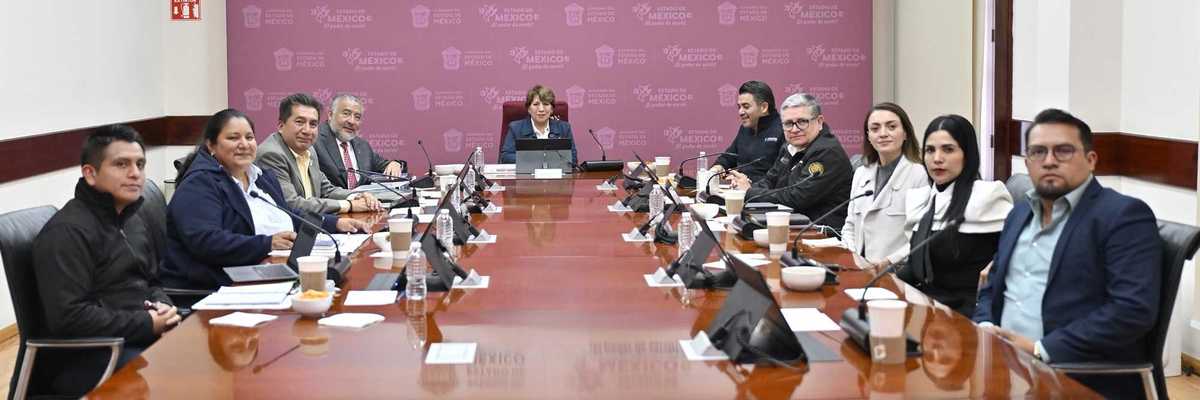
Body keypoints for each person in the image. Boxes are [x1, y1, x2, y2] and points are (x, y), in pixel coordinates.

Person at [975, 109, 1162, 399]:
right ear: (1027, 162)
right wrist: (986, 327)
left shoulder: (1122, 216)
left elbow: (1132, 310)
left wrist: (1041, 350)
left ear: (1091, 160)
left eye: (1063, 151)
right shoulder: (1020, 213)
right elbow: (993, 284)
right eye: (1038, 152)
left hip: (1073, 377)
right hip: (1004, 368)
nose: (1049, 161)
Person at [30, 125, 180, 396]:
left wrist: (164, 307)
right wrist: (146, 324)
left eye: (140, 164)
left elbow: (151, 282)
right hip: (87, 356)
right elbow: (69, 318)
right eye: (121, 164)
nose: (135, 173)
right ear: (90, 173)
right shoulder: (67, 232)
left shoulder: (132, 219)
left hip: (133, 338)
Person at [163, 109, 368, 290]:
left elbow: (288, 214)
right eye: (233, 138)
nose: (244, 144)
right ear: (211, 145)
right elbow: (207, 242)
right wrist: (267, 244)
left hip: (265, 268)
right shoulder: (199, 184)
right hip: (219, 283)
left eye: (249, 137)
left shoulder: (259, 176)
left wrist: (335, 223)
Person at [899, 115, 1012, 317]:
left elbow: (1014, 255)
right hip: (928, 309)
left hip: (972, 313)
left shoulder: (987, 196)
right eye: (930, 150)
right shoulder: (922, 199)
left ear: (967, 154)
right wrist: (879, 285)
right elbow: (915, 267)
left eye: (948, 149)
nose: (937, 158)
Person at [728, 92, 852, 229]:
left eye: (802, 122)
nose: (794, 129)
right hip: (792, 224)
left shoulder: (827, 152)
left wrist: (749, 192)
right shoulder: (790, 146)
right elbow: (770, 181)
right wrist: (746, 187)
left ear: (819, 121)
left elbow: (797, 197)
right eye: (788, 124)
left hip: (820, 232)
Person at [256, 93, 382, 214]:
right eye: (299, 122)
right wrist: (348, 205)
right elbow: (292, 204)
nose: (307, 130)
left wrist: (357, 196)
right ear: (281, 125)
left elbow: (326, 190)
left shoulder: (309, 150)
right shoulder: (272, 154)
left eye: (313, 124)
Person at [842, 103, 929, 268]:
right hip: (859, 268)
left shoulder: (919, 174)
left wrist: (890, 261)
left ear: (905, 133)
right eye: (875, 129)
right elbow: (850, 225)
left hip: (898, 270)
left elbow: (921, 235)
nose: (883, 134)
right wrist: (853, 256)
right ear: (868, 136)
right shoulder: (861, 173)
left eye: (891, 127)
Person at [313, 93, 406, 189]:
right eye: (346, 114)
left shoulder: (363, 145)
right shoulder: (314, 140)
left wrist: (395, 164)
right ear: (330, 115)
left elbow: (384, 165)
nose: (352, 121)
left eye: (357, 117)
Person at [710, 80, 784, 182]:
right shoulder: (745, 129)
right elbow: (729, 157)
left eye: (746, 106)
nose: (740, 112)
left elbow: (782, 176)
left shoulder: (784, 130)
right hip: (739, 188)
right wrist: (717, 168)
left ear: (764, 107)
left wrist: (747, 181)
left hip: (765, 190)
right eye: (739, 107)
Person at [498, 85, 577, 165]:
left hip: (556, 172)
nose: (541, 109)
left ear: (552, 109)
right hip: (526, 172)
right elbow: (506, 157)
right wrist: (539, 159)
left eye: (546, 104)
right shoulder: (515, 128)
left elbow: (573, 158)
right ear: (529, 109)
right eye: (536, 104)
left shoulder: (564, 128)